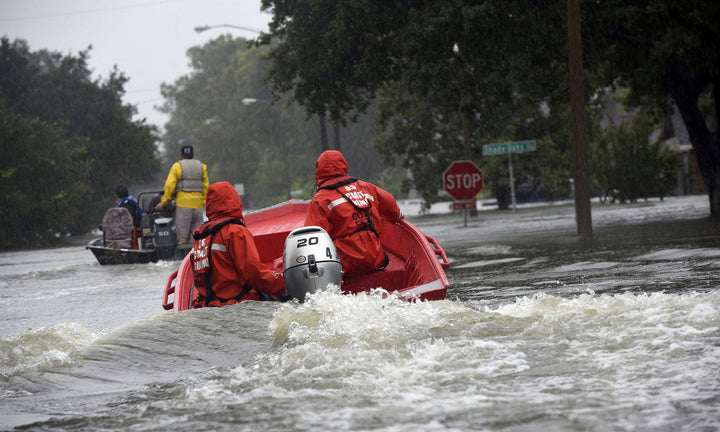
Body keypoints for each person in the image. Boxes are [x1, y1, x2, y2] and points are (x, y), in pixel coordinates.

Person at [305, 150, 402, 278]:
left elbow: (312, 238)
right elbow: (393, 209)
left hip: (346, 267)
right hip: (376, 259)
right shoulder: (366, 187)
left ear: (319, 172)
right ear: (344, 166)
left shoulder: (320, 200)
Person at [190, 181, 286, 308]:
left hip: (204, 305)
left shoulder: (200, 235)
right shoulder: (235, 231)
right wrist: (283, 285)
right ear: (235, 200)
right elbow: (254, 274)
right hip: (235, 304)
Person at [155, 144, 209, 244]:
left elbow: (170, 186)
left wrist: (163, 202)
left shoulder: (178, 166)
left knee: (182, 236)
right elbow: (206, 186)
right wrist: (204, 202)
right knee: (196, 235)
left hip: (183, 205)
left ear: (181, 154)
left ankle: (182, 256)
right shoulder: (202, 167)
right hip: (198, 205)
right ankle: (195, 256)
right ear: (192, 154)